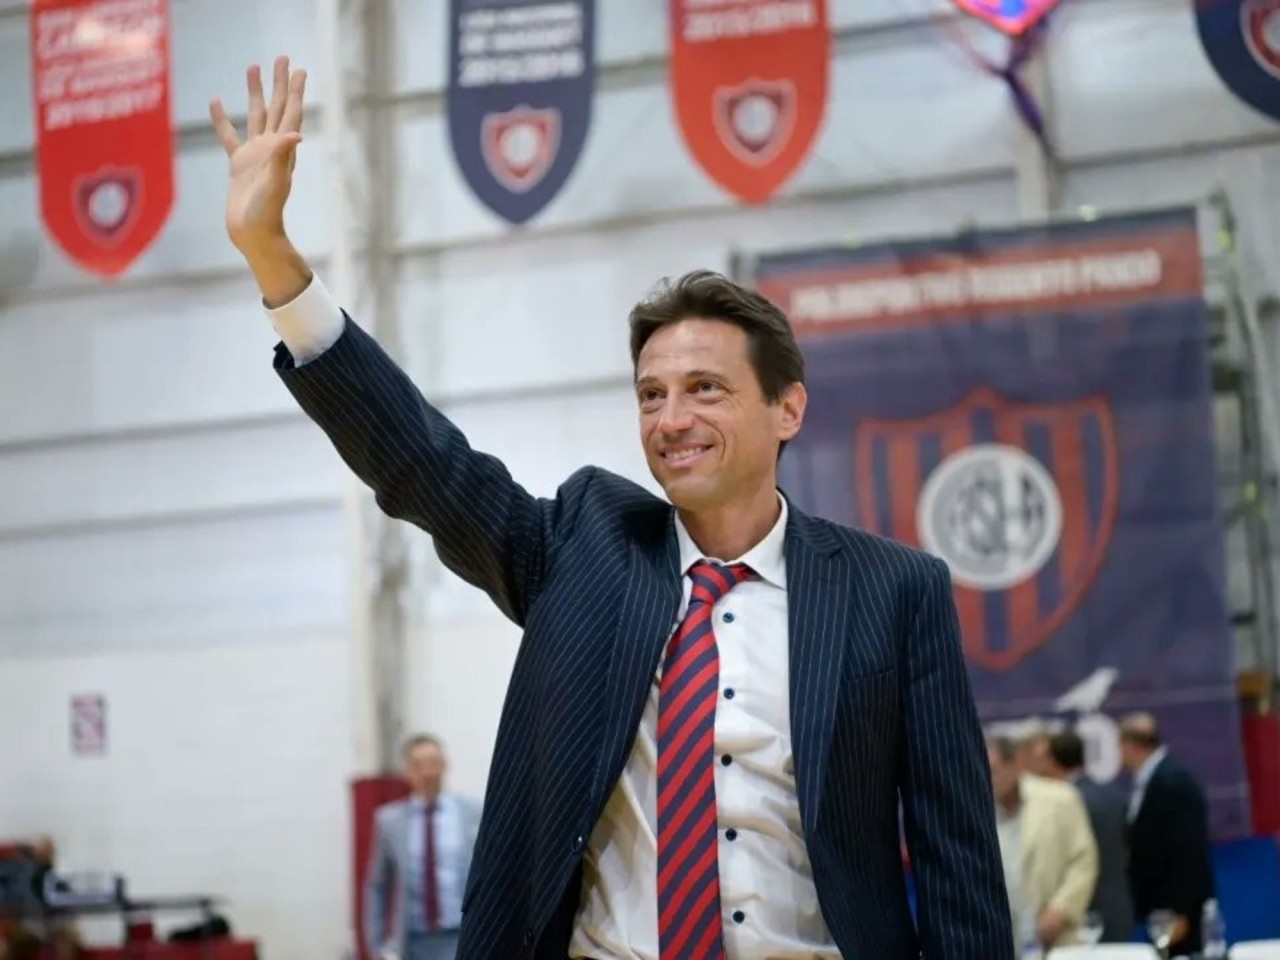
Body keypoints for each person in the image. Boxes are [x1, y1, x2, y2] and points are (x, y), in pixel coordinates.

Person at [209, 56, 1014, 960]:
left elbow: (957, 866)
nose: (671, 420)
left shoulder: (893, 592)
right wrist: (273, 256)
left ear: (787, 408)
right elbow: (424, 463)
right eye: (651, 394)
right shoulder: (584, 548)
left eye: (705, 389)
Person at [365, 735, 481, 960]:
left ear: (445, 765)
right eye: (418, 765)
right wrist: (376, 946)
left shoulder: (473, 814)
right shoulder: (389, 821)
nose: (428, 772)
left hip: (462, 935)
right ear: (407, 772)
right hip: (413, 942)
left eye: (434, 762)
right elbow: (378, 886)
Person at [987, 737, 1099, 955]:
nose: (988, 779)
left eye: (994, 770)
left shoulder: (1059, 798)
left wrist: (1061, 909)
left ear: (1014, 764)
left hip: (1054, 934)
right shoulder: (978, 811)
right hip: (1001, 938)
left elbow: (1084, 860)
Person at [1119, 712, 1215, 956]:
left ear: (1131, 744)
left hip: (1175, 911)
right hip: (1159, 909)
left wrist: (1180, 911)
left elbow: (1188, 851)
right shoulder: (1152, 779)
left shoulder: (1172, 782)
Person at [1046, 730, 1136, 942]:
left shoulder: (1062, 804)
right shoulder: (1115, 796)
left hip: (1077, 917)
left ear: (1052, 762)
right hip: (1118, 908)